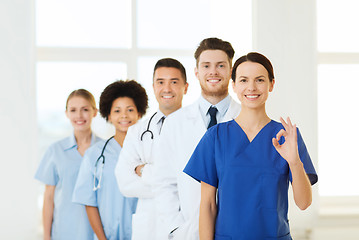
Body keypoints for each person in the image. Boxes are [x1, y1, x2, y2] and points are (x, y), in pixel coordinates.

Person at [184, 52, 318, 240]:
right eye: (244, 80)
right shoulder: (216, 137)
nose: (251, 87)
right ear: (234, 85)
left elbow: (304, 203)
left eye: (260, 80)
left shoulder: (286, 136)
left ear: (271, 84)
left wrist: (295, 162)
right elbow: (208, 205)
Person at [153, 38, 241, 239]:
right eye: (206, 66)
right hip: (189, 232)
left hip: (238, 230)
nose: (213, 72)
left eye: (221, 65)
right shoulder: (175, 123)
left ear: (231, 71)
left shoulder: (246, 118)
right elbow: (163, 183)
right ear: (196, 72)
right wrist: (176, 228)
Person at [115, 58, 189, 240]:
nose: (167, 89)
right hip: (148, 227)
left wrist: (144, 170)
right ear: (153, 86)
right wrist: (176, 183)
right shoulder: (137, 131)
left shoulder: (198, 128)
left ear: (185, 87)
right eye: (161, 82)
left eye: (174, 82)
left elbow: (196, 181)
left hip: (186, 224)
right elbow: (125, 183)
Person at [72, 80, 148, 240]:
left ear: (139, 113)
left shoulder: (149, 152)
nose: (124, 116)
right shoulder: (95, 155)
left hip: (145, 233)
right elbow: (89, 202)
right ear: (109, 115)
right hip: (108, 236)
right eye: (117, 111)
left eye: (130, 110)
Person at [35, 89, 101, 240]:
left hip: (98, 233)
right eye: (73, 110)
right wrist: (46, 237)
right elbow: (49, 198)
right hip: (64, 232)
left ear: (95, 112)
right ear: (67, 113)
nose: (79, 115)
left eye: (85, 109)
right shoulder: (55, 151)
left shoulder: (105, 149)